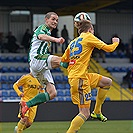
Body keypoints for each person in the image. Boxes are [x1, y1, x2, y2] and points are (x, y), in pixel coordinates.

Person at [61, 19, 120, 132]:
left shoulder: (73, 42)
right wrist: (116, 42)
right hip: (80, 79)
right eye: (92, 30)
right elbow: (109, 48)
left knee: (107, 82)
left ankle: (97, 111)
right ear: (90, 30)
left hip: (80, 76)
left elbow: (64, 62)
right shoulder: (89, 36)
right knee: (84, 113)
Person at [19, 12, 65, 118]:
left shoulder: (48, 32)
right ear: (46, 19)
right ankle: (79, 68)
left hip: (39, 67)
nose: (55, 22)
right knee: (62, 60)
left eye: (57, 20)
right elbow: (40, 36)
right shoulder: (42, 28)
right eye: (53, 19)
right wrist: (56, 39)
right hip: (37, 59)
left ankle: (27, 104)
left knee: (52, 93)